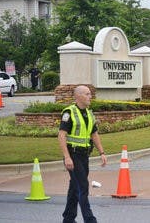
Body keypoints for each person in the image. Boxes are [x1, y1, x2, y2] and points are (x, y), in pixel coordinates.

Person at [58, 85, 107, 223]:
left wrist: (102, 152)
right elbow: (61, 135)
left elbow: (94, 134)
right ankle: (90, 220)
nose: (90, 96)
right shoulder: (69, 112)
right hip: (72, 155)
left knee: (75, 187)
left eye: (90, 94)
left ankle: (68, 218)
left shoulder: (89, 113)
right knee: (83, 187)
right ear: (78, 96)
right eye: (87, 94)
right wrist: (67, 157)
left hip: (84, 155)